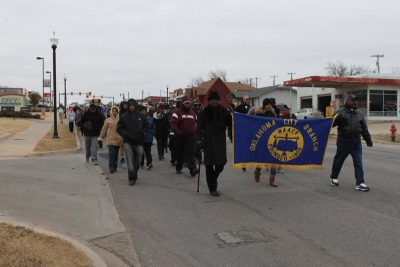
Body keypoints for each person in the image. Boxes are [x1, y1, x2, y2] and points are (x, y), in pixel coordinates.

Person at [330, 94, 372, 192]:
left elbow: (364, 129)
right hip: (343, 142)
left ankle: (360, 183)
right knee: (339, 160)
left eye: (355, 100)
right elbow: (329, 124)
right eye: (352, 100)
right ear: (347, 101)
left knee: (358, 163)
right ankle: (333, 177)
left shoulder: (359, 114)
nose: (354, 102)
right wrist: (335, 120)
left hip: (356, 143)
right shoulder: (340, 112)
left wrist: (368, 140)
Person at [197, 91, 231, 197]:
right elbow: (198, 128)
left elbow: (230, 123)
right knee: (209, 165)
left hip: (220, 141)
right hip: (208, 141)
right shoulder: (204, 112)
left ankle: (214, 178)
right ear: (209, 100)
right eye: (212, 99)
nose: (214, 101)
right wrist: (199, 140)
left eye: (216, 99)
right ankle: (212, 188)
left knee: (221, 163)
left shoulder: (223, 110)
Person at [249, 98, 279, 187]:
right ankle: (257, 171)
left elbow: (277, 124)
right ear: (264, 105)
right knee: (261, 158)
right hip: (262, 139)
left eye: (270, 104)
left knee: (274, 158)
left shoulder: (274, 114)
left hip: (272, 139)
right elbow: (254, 124)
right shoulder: (259, 113)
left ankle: (272, 179)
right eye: (267, 104)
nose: (269, 106)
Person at [117, 99, 146, 186]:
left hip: (138, 141)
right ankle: (131, 178)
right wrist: (125, 134)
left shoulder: (141, 115)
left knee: (139, 157)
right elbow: (119, 128)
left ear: (135, 106)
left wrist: (142, 133)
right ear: (129, 106)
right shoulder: (124, 116)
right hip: (128, 141)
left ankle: (135, 172)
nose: (132, 107)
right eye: (130, 105)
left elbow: (145, 127)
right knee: (130, 160)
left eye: (133, 105)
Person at [170, 96, 199, 176]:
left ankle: (192, 169)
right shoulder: (177, 112)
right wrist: (177, 131)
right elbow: (173, 123)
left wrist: (195, 130)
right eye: (186, 103)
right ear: (183, 104)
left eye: (189, 103)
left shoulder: (193, 113)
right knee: (180, 154)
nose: (187, 105)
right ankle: (178, 167)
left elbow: (196, 123)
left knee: (190, 153)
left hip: (190, 137)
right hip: (180, 137)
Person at [99, 107, 122, 173]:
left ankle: (115, 166)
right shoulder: (107, 120)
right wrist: (101, 137)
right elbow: (104, 129)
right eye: (113, 111)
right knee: (111, 154)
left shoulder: (120, 120)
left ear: (118, 112)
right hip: (110, 139)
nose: (114, 112)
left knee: (116, 154)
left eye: (116, 111)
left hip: (118, 139)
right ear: (111, 112)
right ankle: (111, 168)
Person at [236, 95, 252, 171]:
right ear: (243, 100)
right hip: (242, 128)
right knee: (243, 146)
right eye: (246, 99)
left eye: (248, 99)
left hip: (249, 128)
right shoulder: (239, 107)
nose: (247, 100)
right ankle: (243, 164)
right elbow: (236, 116)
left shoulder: (251, 107)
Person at [119, 101, 129, 165]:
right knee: (122, 144)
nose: (125, 106)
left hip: (128, 130)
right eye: (124, 105)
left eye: (126, 105)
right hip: (122, 130)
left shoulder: (129, 112)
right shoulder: (120, 113)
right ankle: (122, 157)